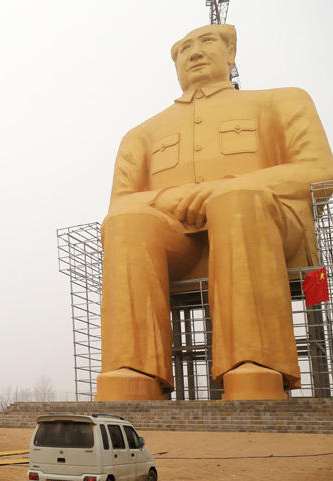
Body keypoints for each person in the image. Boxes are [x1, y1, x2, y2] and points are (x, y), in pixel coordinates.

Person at [97, 24, 333, 401]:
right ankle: (134, 371)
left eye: (207, 42)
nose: (194, 53)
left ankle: (254, 365)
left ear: (231, 55)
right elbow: (120, 204)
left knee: (238, 201)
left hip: (271, 231)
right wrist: (178, 199)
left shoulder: (282, 101)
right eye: (184, 49)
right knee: (126, 224)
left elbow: (320, 170)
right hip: (182, 245)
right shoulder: (141, 134)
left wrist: (224, 189)